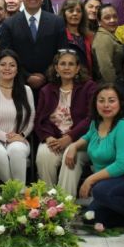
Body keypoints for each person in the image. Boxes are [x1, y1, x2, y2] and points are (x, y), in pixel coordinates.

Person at [65, 84, 124, 230]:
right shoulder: (97, 123)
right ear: (95, 103)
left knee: (99, 191)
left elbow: (122, 165)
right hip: (110, 181)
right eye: (101, 100)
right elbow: (87, 137)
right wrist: (74, 146)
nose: (106, 105)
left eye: (111, 100)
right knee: (91, 218)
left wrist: (90, 179)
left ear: (120, 103)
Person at [35, 50, 97, 196]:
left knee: (69, 159)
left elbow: (92, 118)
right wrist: (49, 138)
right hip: (55, 139)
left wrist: (69, 137)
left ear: (77, 69)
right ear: (56, 68)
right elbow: (40, 120)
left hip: (81, 140)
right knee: (43, 154)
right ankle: (48, 202)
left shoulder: (89, 87)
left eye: (71, 64)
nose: (66, 67)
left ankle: (65, 205)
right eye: (62, 64)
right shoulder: (46, 90)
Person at [0, 50, 35, 184]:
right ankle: (16, 193)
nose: (7, 68)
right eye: (3, 64)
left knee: (16, 150)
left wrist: (21, 135)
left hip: (18, 138)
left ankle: (14, 195)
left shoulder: (26, 90)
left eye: (12, 65)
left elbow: (31, 119)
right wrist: (5, 137)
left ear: (17, 69)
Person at [0, 0, 67, 89]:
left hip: (51, 83)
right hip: (19, 83)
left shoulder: (57, 22)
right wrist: (27, 76)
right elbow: (6, 55)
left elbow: (61, 54)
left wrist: (45, 76)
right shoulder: (9, 24)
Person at [60, 0, 94, 73]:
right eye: (71, 11)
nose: (75, 14)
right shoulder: (59, 36)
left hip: (87, 80)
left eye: (79, 11)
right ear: (64, 14)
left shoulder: (90, 36)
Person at [92, 4, 124, 83]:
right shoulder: (103, 38)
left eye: (115, 16)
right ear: (99, 21)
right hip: (108, 88)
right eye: (107, 18)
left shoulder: (109, 35)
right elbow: (106, 68)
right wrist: (115, 88)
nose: (112, 20)